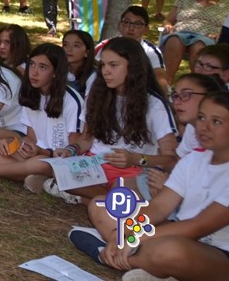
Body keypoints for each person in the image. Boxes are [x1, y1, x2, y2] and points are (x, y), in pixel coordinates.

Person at [74, 91, 229, 281]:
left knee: (171, 251)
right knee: (102, 205)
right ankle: (152, 265)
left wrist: (134, 237)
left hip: (218, 254)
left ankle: (106, 255)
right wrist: (123, 233)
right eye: (202, 117)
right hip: (177, 233)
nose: (204, 127)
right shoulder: (194, 160)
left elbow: (198, 226)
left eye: (217, 121)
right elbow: (158, 207)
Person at [45, 37, 178, 204]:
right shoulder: (97, 93)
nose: (106, 71)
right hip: (95, 165)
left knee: (119, 192)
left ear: (133, 67)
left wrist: (134, 159)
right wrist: (71, 150)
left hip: (135, 170)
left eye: (113, 65)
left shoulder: (155, 104)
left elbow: (171, 159)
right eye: (103, 65)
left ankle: (87, 198)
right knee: (56, 169)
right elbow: (86, 138)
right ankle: (95, 198)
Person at [0, 44, 86, 189]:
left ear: (55, 72)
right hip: (34, 155)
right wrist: (10, 142)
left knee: (40, 163)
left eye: (43, 67)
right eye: (32, 65)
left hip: (57, 160)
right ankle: (29, 175)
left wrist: (41, 152)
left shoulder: (71, 100)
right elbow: (31, 139)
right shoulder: (31, 94)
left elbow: (71, 153)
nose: (34, 72)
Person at [159, 0, 229, 86]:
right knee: (174, 40)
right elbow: (168, 20)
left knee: (199, 46)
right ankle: (166, 85)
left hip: (207, 36)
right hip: (181, 32)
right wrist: (168, 25)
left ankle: (198, 86)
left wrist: (220, 34)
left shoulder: (226, 3)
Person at [62, 28, 96, 95]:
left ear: (87, 52)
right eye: (65, 45)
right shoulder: (58, 70)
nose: (69, 49)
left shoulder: (93, 75)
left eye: (76, 46)